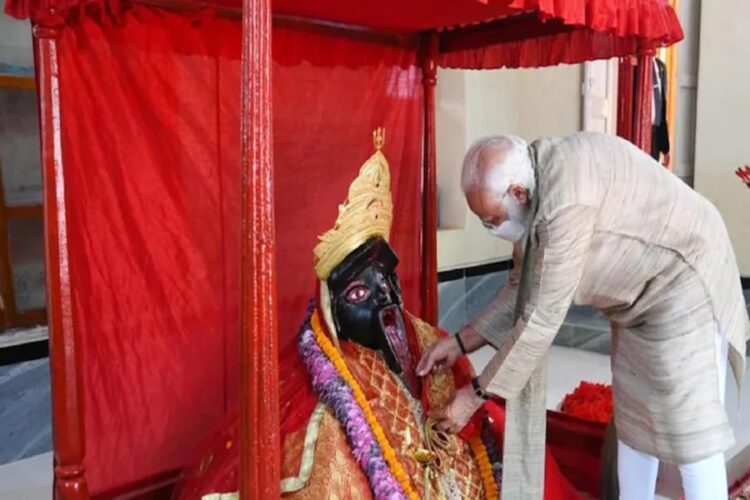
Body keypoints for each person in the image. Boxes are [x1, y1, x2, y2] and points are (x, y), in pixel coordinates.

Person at [173, 129, 580, 500]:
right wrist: (465, 367)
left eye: (389, 278)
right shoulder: (317, 398)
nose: (386, 297)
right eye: (361, 291)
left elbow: (533, 316)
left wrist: (466, 377)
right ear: (333, 307)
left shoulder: (426, 336)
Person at [418, 132, 749, 500]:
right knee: (634, 423)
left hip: (686, 278)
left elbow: (540, 318)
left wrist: (475, 394)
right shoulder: (534, 186)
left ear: (517, 194)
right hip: (637, 300)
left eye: (491, 219)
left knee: (691, 431)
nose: (492, 228)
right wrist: (460, 342)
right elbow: (521, 287)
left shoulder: (564, 205)